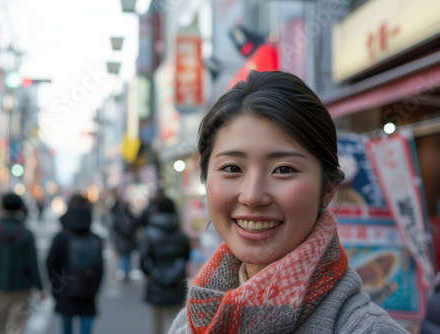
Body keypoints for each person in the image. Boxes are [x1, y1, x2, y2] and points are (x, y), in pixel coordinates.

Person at [168, 70, 408, 333]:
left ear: (327, 188)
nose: (252, 196)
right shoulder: (192, 320)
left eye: (283, 169)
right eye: (232, 168)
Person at [0, 192, 45, 334]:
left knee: (1, 322)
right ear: (21, 209)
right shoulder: (27, 233)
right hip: (22, 286)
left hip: (0, 284)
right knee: (17, 324)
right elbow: (33, 263)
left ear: (2, 207)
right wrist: (40, 287)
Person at [46, 194, 104, 334]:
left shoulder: (61, 237)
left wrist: (56, 287)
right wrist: (95, 288)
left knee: (66, 327)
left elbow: (51, 264)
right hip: (88, 289)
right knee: (86, 327)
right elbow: (101, 268)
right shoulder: (95, 238)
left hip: (65, 289)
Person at [139, 195, 191, 334]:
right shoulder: (181, 234)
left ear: (156, 211)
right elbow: (186, 256)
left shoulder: (149, 233)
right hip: (176, 282)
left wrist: (148, 274)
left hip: (156, 281)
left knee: (157, 326)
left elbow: (143, 258)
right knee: (176, 324)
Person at [111, 191, 138, 281]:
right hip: (129, 240)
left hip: (121, 240)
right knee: (127, 257)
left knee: (123, 257)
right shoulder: (131, 216)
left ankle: (124, 272)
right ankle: (126, 272)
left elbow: (114, 227)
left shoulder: (118, 215)